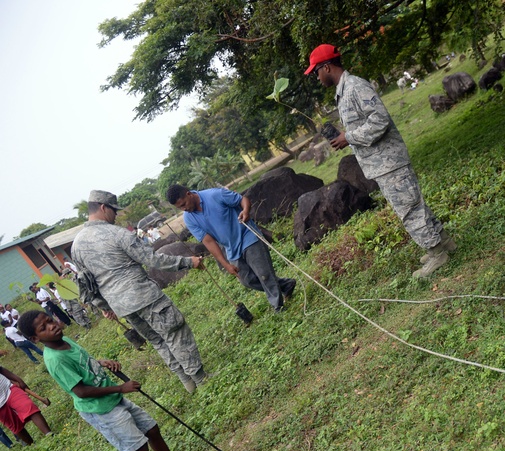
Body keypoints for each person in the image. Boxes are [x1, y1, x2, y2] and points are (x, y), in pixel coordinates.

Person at [19, 310, 208, 451]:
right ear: (35, 338)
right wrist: (121, 388)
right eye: (44, 328)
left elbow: (85, 363)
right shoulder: (56, 360)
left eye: (50, 320)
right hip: (101, 409)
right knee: (139, 446)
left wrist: (101, 363)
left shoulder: (65, 340)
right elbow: (81, 391)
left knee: (151, 429)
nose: (52, 326)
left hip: (112, 397)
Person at [305, 44, 456, 279]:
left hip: (390, 161)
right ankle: (444, 242)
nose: (316, 77)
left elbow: (380, 120)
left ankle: (437, 253)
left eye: (316, 71)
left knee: (409, 209)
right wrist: (344, 137)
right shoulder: (344, 92)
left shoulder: (355, 86)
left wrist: (349, 137)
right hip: (381, 164)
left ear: (326, 67)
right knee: (413, 204)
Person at [71, 190, 210, 393]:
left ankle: (186, 381)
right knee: (175, 331)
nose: (116, 215)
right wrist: (189, 262)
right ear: (103, 207)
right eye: (114, 210)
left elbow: (87, 283)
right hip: (144, 296)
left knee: (157, 340)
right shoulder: (117, 234)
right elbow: (153, 260)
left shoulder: (76, 246)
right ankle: (200, 378)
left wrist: (104, 306)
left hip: (121, 306)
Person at [166, 185, 297, 313]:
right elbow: (209, 241)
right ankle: (286, 285)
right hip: (231, 248)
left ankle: (278, 306)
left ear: (189, 194)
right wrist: (226, 264)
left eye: (184, 204)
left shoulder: (215, 195)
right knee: (247, 280)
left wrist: (245, 211)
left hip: (248, 236)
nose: (184, 209)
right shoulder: (189, 218)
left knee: (264, 274)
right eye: (180, 208)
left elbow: (243, 200)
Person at [0, 363, 52, 445]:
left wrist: (19, 380)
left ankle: (49, 434)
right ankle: (32, 445)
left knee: (28, 406)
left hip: (9, 389)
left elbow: (1, 370)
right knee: (15, 426)